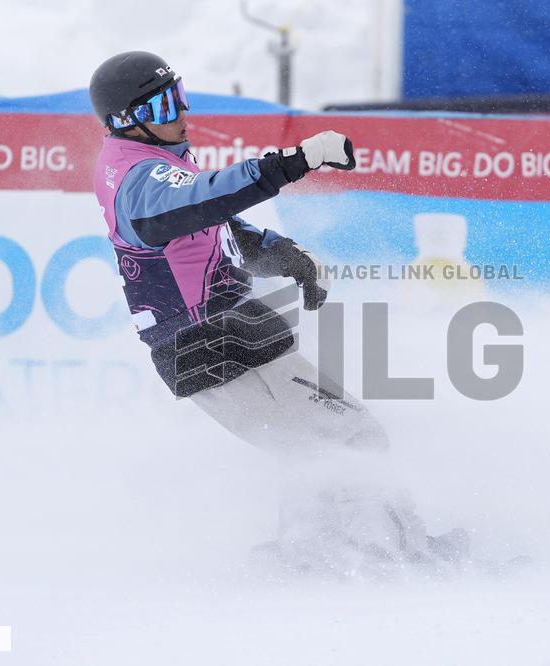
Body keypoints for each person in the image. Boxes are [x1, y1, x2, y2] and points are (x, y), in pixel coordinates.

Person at [89, 51, 467, 576]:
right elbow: (197, 201)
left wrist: (286, 256)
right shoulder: (137, 177)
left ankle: (308, 554)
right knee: (353, 437)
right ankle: (406, 555)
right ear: (129, 120)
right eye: (162, 104)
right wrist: (296, 161)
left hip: (222, 336)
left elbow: (206, 227)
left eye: (179, 95)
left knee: (309, 449)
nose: (181, 111)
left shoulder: (145, 167)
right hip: (214, 341)